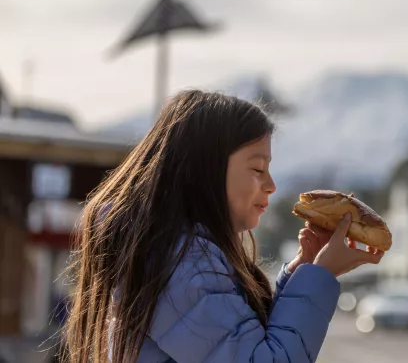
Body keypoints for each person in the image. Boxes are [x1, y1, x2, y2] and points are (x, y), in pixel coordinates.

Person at [60, 90, 382, 363]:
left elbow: (244, 343)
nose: (271, 185)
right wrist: (320, 276)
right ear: (205, 172)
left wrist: (305, 271)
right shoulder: (181, 267)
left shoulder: (179, 257)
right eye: (258, 168)